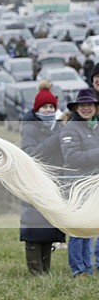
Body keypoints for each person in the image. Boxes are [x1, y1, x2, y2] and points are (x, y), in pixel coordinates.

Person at [19, 82, 65, 275]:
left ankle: (46, 269)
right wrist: (57, 137)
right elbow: (32, 153)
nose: (48, 110)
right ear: (37, 109)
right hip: (35, 182)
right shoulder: (30, 127)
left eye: (51, 107)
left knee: (49, 227)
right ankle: (35, 271)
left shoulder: (59, 127)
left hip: (55, 182)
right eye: (45, 107)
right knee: (34, 229)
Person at [60, 88, 99, 278]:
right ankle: (78, 269)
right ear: (76, 108)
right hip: (78, 185)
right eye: (82, 105)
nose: (86, 108)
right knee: (78, 230)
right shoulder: (71, 129)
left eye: (90, 105)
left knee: (90, 228)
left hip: (94, 184)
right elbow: (72, 157)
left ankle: (88, 268)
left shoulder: (96, 127)